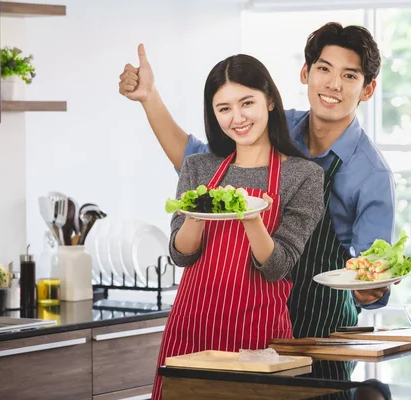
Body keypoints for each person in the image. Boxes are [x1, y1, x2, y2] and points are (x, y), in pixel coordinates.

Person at [119, 22, 395, 339]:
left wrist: (370, 288)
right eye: (324, 69)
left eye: (350, 76)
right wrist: (149, 98)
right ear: (306, 73)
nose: (333, 84)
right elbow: (197, 161)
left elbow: (373, 268)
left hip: (323, 322)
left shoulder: (372, 174)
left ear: (368, 89)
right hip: (253, 315)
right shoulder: (272, 124)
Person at [150, 54, 324, 399]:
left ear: (270, 100)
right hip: (191, 329)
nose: (238, 118)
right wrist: (195, 215)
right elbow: (180, 256)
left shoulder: (303, 176)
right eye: (224, 108)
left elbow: (277, 267)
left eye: (247, 103)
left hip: (257, 336)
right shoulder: (199, 168)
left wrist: (252, 218)